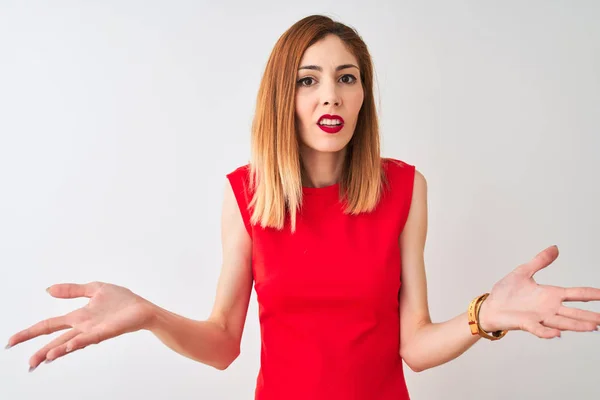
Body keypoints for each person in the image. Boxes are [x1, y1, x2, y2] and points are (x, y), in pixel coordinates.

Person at [6, 14, 600, 400]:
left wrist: (484, 315)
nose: (331, 95)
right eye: (308, 80)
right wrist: (150, 315)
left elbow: (414, 347)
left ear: (364, 94)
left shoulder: (404, 190)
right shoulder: (246, 194)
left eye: (347, 77)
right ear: (282, 96)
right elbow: (221, 343)